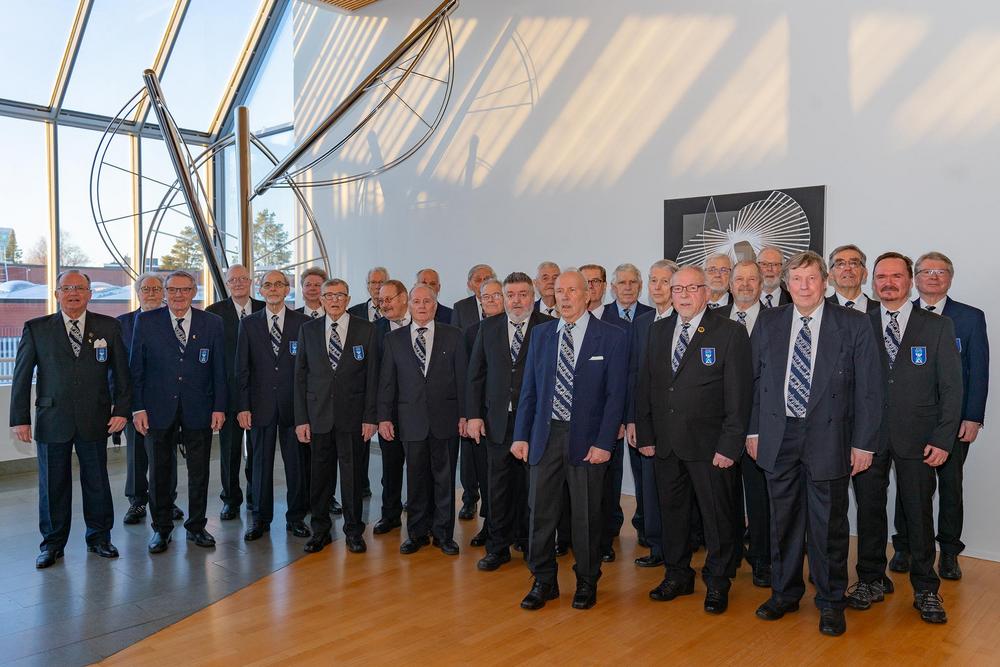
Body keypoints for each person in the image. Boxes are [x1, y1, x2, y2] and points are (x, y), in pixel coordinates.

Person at [747, 251, 881, 636]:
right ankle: (784, 594)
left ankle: (831, 602)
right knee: (782, 522)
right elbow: (754, 381)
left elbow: (869, 389)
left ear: (825, 281)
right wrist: (753, 431)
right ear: (786, 284)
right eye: (797, 279)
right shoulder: (769, 321)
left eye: (811, 278)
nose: (804, 286)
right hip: (778, 435)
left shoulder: (854, 323)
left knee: (828, 526)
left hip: (830, 436)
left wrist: (863, 444)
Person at [848, 252, 962, 624]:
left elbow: (952, 388)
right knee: (869, 511)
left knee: (918, 513)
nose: (888, 283)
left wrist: (943, 439)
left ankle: (926, 589)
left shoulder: (937, 326)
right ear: (872, 282)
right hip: (868, 437)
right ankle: (870, 579)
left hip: (920, 438)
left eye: (896, 276)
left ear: (910, 281)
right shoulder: (858, 324)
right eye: (881, 277)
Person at [635, 266, 752, 614]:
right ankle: (677, 575)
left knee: (717, 519)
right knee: (672, 515)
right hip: (667, 443)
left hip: (710, 447)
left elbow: (739, 396)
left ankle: (717, 582)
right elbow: (646, 385)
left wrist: (730, 446)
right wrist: (646, 434)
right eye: (678, 289)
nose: (684, 295)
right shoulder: (657, 331)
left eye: (692, 288)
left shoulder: (730, 332)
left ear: (707, 292)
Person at [513, 270, 627, 611]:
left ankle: (587, 581)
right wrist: (521, 436)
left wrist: (604, 443)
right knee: (540, 515)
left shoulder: (612, 336)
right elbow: (529, 391)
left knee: (586, 517)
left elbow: (615, 397)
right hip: (544, 438)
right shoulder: (541, 334)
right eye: (559, 291)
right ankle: (543, 581)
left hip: (588, 441)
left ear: (587, 294)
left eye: (572, 290)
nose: (564, 297)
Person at [10, 270, 130, 568]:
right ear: (56, 294)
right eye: (66, 288)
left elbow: (122, 374)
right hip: (52, 418)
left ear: (90, 294)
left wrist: (121, 410)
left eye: (79, 288)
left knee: (97, 481)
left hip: (95, 418)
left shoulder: (109, 327)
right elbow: (21, 376)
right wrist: (20, 419)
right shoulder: (36, 329)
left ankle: (99, 538)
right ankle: (52, 544)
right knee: (53, 485)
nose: (73, 293)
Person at [890, 251, 989, 580]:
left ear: (950, 277)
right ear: (914, 278)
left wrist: (972, 417)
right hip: (909, 421)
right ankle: (904, 545)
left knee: (950, 486)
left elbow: (978, 370)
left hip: (953, 421)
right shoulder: (900, 313)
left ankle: (948, 551)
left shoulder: (970, 317)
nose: (933, 277)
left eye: (940, 271)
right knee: (909, 486)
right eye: (926, 271)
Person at [131, 270, 227, 554]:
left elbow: (219, 369)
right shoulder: (146, 321)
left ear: (194, 292)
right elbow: (136, 368)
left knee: (199, 472)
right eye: (173, 289)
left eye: (185, 290)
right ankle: (161, 529)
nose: (178, 295)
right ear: (165, 292)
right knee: (159, 473)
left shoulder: (212, 323)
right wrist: (138, 408)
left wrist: (219, 407)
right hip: (157, 409)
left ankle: (196, 526)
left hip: (199, 409)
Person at [467, 272, 554, 570]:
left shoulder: (548, 327)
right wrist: (474, 415)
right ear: (504, 298)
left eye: (523, 294)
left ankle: (531, 545)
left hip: (535, 424)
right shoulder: (488, 328)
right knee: (498, 488)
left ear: (533, 296)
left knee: (533, 488)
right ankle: (497, 547)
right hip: (497, 422)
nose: (517, 301)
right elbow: (476, 375)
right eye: (511, 295)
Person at [378, 284, 468, 556]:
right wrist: (384, 418)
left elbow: (463, 379)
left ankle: (443, 534)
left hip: (446, 420)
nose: (421, 306)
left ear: (435, 305)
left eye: (427, 301)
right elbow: (387, 383)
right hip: (410, 420)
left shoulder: (454, 335)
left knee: (444, 480)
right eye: (416, 301)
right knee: (415, 479)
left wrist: (465, 415)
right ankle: (416, 533)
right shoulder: (393, 340)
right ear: (409, 304)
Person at [295, 279, 379, 554]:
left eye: (339, 295)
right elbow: (300, 377)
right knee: (320, 478)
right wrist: (301, 419)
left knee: (353, 478)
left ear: (348, 299)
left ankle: (354, 531)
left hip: (353, 418)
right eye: (328, 295)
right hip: (318, 416)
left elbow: (372, 378)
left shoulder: (366, 329)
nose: (334, 300)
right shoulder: (308, 330)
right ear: (321, 299)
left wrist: (370, 417)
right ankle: (320, 531)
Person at [236, 270, 311, 542]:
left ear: (287, 289)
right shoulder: (248, 324)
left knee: (297, 466)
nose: (273, 289)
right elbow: (242, 369)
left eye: (279, 284)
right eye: (267, 285)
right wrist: (243, 406)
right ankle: (260, 519)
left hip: (294, 408)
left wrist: (307, 410)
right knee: (260, 465)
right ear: (261, 290)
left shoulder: (303, 323)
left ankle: (296, 518)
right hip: (260, 406)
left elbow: (308, 370)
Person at [717, 260, 771, 586]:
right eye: (740, 279)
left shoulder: (776, 321)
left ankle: (762, 559)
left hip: (759, 426)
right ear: (729, 284)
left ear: (762, 284)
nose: (746, 285)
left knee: (759, 497)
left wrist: (758, 427)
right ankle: (730, 555)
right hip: (721, 428)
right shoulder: (714, 320)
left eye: (753, 279)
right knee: (725, 497)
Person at [625, 259, 678, 569]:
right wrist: (632, 418)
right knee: (649, 486)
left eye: (664, 281)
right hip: (648, 421)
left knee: (676, 490)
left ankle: (680, 548)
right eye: (653, 280)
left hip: (680, 423)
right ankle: (657, 546)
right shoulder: (642, 322)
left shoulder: (685, 321)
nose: (658, 287)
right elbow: (634, 374)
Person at [118, 273, 183, 526]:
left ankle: (167, 500)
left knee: (167, 454)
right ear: (138, 293)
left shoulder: (175, 320)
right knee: (136, 454)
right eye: (146, 289)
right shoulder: (122, 324)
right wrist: (120, 402)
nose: (152, 293)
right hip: (135, 401)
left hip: (167, 400)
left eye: (157, 289)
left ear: (164, 292)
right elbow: (116, 367)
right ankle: (137, 501)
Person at [599, 263, 652, 563]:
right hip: (609, 411)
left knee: (645, 474)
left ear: (640, 286)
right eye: (622, 283)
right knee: (609, 475)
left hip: (640, 410)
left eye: (633, 282)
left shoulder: (652, 316)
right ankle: (608, 531)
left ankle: (646, 526)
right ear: (613, 288)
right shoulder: (600, 317)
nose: (628, 287)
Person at [206, 264, 264, 520]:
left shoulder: (265, 308)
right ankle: (230, 499)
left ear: (250, 282)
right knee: (229, 451)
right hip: (228, 394)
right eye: (233, 280)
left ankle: (255, 495)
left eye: (243, 278)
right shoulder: (213, 313)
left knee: (258, 450)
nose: (238, 283)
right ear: (227, 284)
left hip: (260, 393)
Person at [461, 277, 505, 547]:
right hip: (484, 418)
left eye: (496, 295)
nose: (490, 301)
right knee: (487, 476)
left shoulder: (523, 327)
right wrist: (470, 415)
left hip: (511, 416)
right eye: (485, 297)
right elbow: (470, 378)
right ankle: (490, 526)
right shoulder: (472, 332)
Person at [452, 264, 497, 521]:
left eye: (488, 279)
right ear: (471, 285)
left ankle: (496, 518)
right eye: (478, 280)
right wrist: (468, 411)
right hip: (476, 404)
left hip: (503, 407)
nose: (489, 299)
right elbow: (465, 370)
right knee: (473, 461)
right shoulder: (466, 321)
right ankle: (471, 500)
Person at [371, 279, 411, 536]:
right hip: (390, 412)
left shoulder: (423, 323)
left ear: (403, 297)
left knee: (421, 467)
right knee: (391, 466)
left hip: (420, 410)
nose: (384, 305)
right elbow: (373, 375)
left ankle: (421, 514)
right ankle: (390, 514)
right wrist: (380, 414)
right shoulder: (375, 331)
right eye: (381, 300)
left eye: (389, 299)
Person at [826, 244, 879, 313]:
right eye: (840, 264)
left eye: (853, 263)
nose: (847, 268)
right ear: (831, 274)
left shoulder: (881, 310)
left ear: (865, 273)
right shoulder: (820, 309)